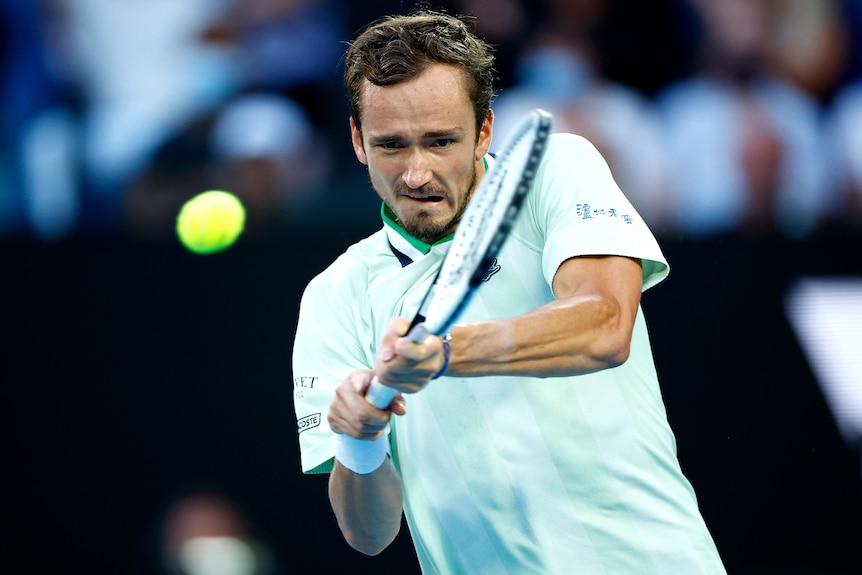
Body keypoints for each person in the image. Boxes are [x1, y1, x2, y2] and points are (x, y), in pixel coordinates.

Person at [292, 9, 726, 574]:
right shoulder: (333, 295)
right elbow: (369, 534)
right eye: (392, 146)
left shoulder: (555, 167)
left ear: (486, 130)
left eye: (441, 141)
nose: (417, 174)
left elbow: (605, 325)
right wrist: (360, 439)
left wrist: (443, 353)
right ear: (357, 141)